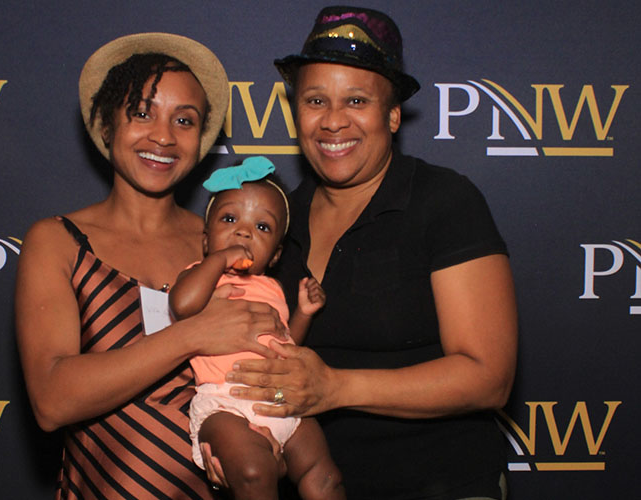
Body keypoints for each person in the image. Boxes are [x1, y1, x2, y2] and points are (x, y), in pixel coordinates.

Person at [222, 6, 518, 500]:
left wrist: (336, 387)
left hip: (440, 483)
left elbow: (488, 378)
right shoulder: (276, 221)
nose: (333, 121)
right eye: (316, 100)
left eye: (356, 100)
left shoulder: (442, 200)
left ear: (393, 115)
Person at [15, 33, 287, 499]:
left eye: (184, 120)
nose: (163, 136)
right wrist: (194, 334)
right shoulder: (57, 242)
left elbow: (270, 363)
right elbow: (52, 400)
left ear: (201, 139)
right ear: (105, 124)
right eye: (142, 113)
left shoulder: (225, 241)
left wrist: (271, 445)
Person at [169, 156, 344, 500]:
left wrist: (304, 314)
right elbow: (182, 305)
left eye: (262, 227)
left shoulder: (273, 288)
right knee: (253, 472)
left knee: (325, 477)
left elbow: (285, 343)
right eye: (230, 219)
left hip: (279, 396)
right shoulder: (199, 276)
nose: (244, 231)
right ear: (205, 241)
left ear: (276, 255)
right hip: (225, 402)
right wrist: (218, 260)